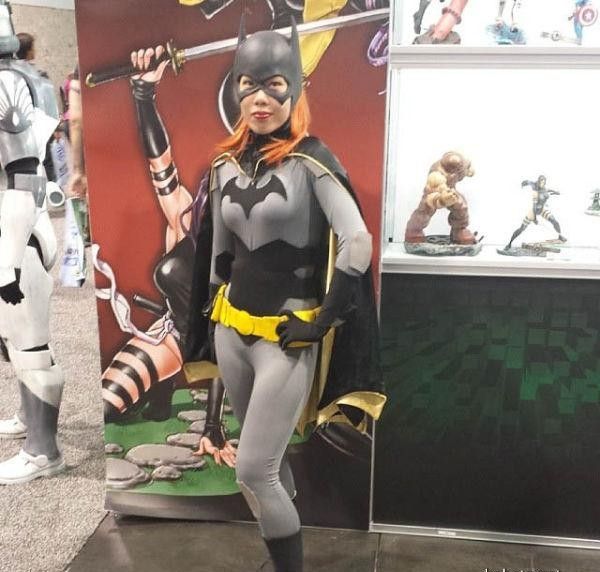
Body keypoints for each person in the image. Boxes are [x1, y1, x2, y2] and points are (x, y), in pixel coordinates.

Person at [182, 19, 385, 571]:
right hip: (233, 333)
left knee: (253, 470)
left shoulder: (311, 161)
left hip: (285, 338)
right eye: (248, 85)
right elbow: (218, 254)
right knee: (266, 462)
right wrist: (212, 317)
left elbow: (358, 241)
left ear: (294, 89)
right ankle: (279, 557)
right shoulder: (224, 166)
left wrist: (323, 321)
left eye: (273, 85)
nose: (260, 98)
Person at [100, 46, 236, 467]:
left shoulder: (249, 248)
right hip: (173, 337)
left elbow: (222, 346)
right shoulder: (185, 215)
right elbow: (159, 159)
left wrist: (212, 426)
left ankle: (166, 400)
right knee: (106, 403)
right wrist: (143, 94)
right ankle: (158, 395)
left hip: (231, 348)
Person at [0, 0, 65, 484]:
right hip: (19, 227)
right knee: (17, 340)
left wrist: (7, 264)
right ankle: (29, 419)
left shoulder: (7, 84)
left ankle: (44, 451)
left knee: (30, 345)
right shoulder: (23, 77)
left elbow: (24, 176)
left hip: (17, 232)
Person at [505, 175, 566, 250]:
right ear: (538, 181)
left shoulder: (543, 188)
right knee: (522, 228)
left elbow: (547, 190)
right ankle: (509, 244)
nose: (542, 184)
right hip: (534, 212)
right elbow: (534, 206)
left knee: (555, 221)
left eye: (544, 182)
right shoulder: (535, 191)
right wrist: (534, 219)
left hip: (542, 209)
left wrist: (555, 192)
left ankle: (560, 236)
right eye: (541, 182)